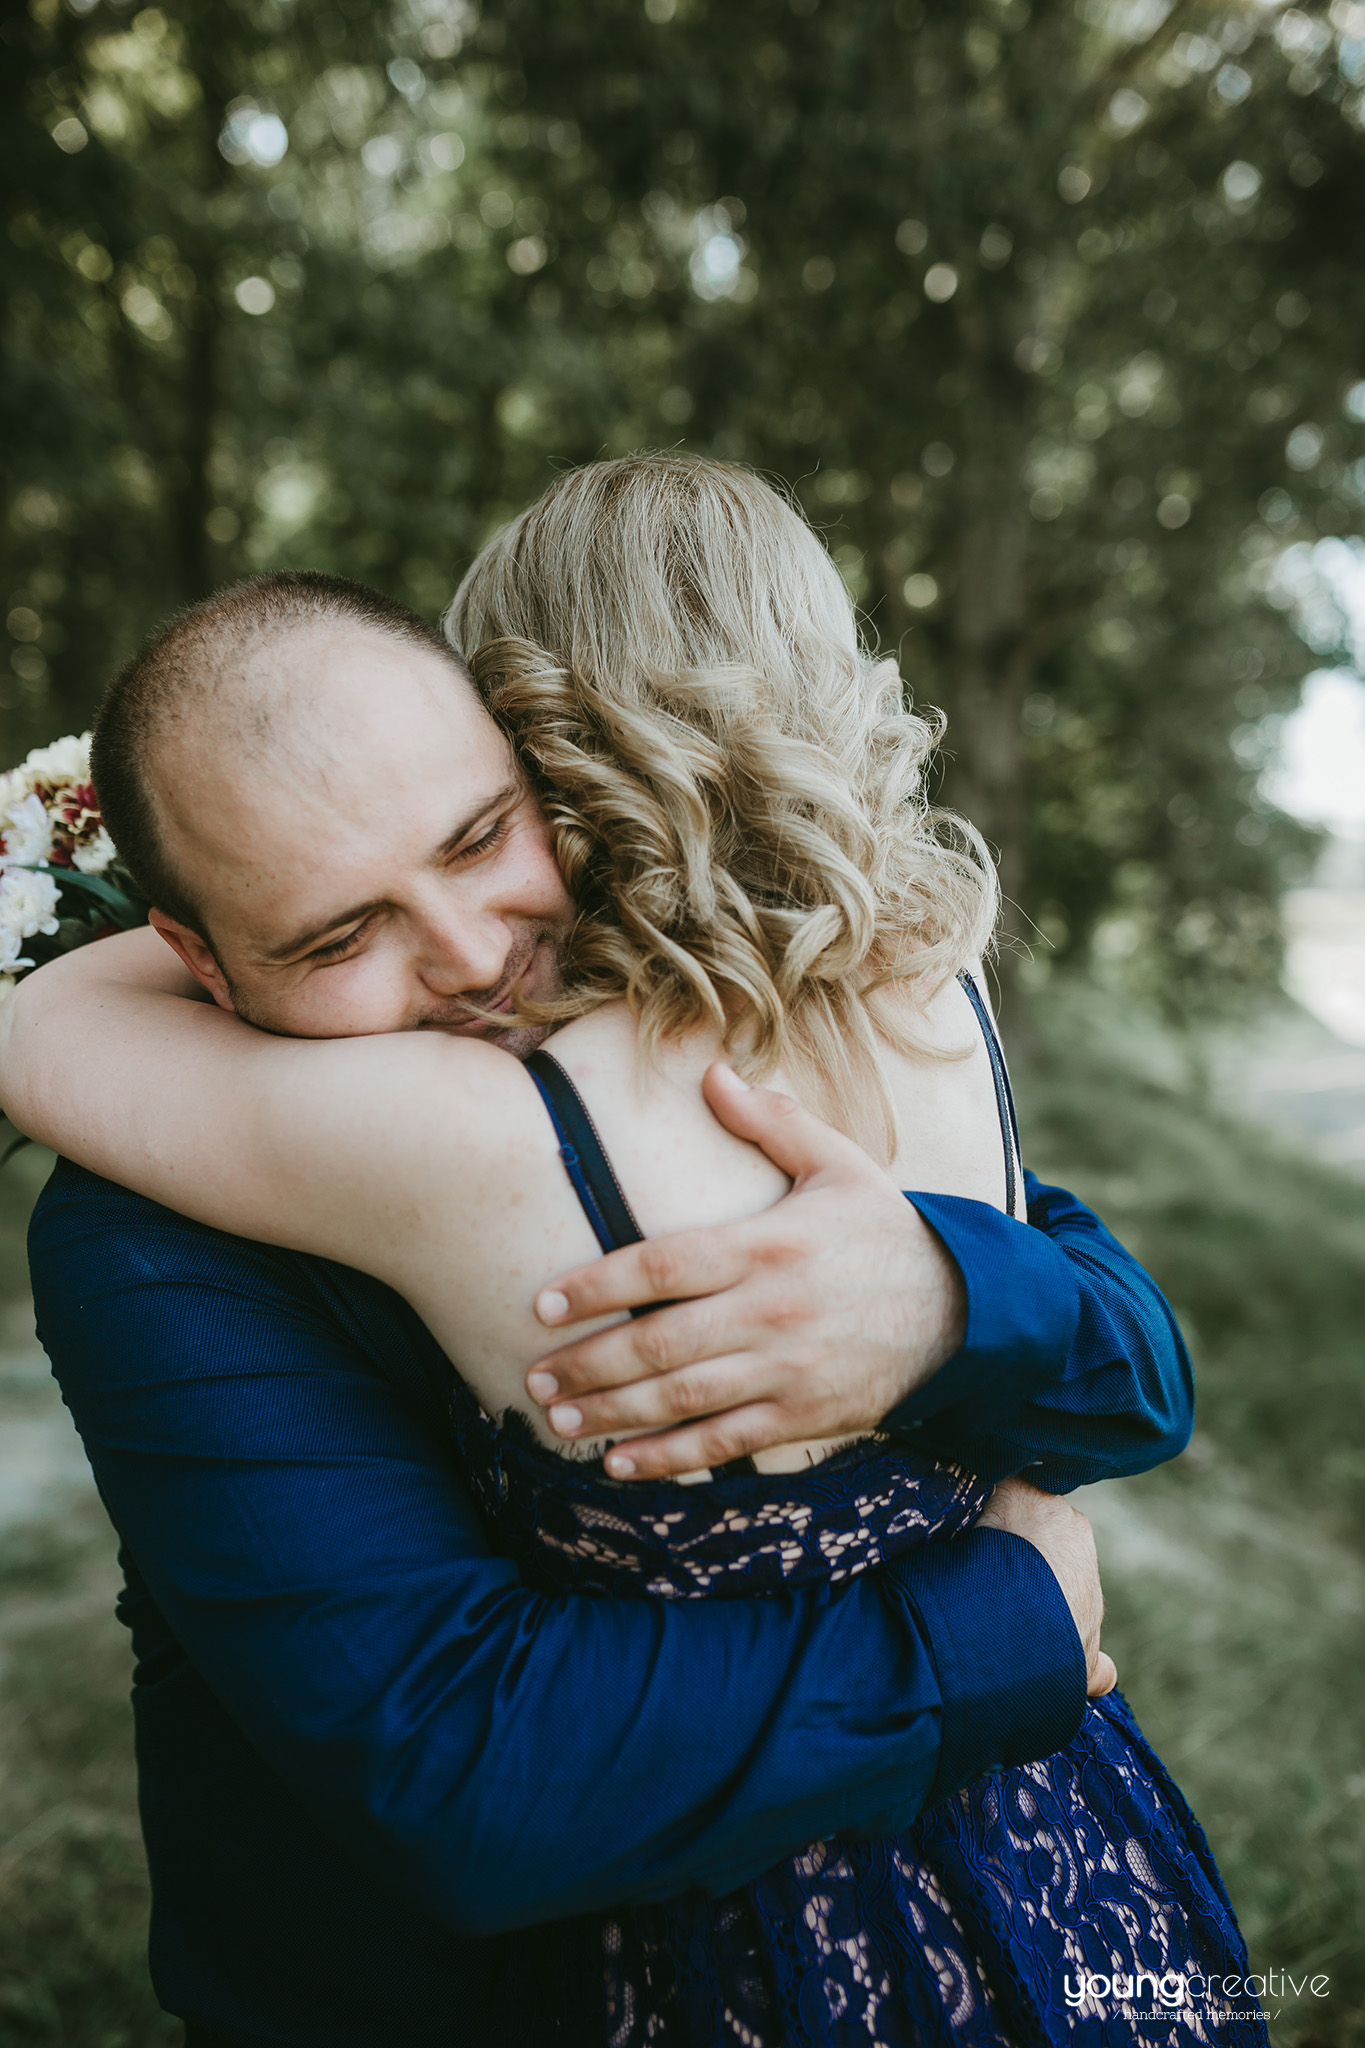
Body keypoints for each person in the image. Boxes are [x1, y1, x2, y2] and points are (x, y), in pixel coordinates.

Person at [0, 459, 1221, 2045]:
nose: (467, 959)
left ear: (545, 761)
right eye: (334, 937)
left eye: (481, 834)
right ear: (195, 959)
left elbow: (1128, 1381)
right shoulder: (144, 1227)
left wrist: (936, 1299)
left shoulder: (748, 1041)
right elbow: (467, 1771)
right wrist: (1008, 1624)